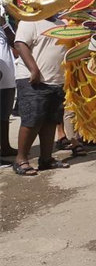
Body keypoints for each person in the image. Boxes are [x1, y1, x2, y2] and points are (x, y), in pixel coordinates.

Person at [12, 15, 71, 176]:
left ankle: (46, 159)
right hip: (33, 79)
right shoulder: (30, 21)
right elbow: (20, 44)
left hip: (56, 80)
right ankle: (21, 159)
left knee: (51, 120)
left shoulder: (61, 23)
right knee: (32, 119)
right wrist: (34, 69)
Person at [1, 9, 17, 160]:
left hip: (8, 79)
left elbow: (15, 43)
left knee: (4, 115)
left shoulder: (5, 26)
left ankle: (5, 147)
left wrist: (4, 24)